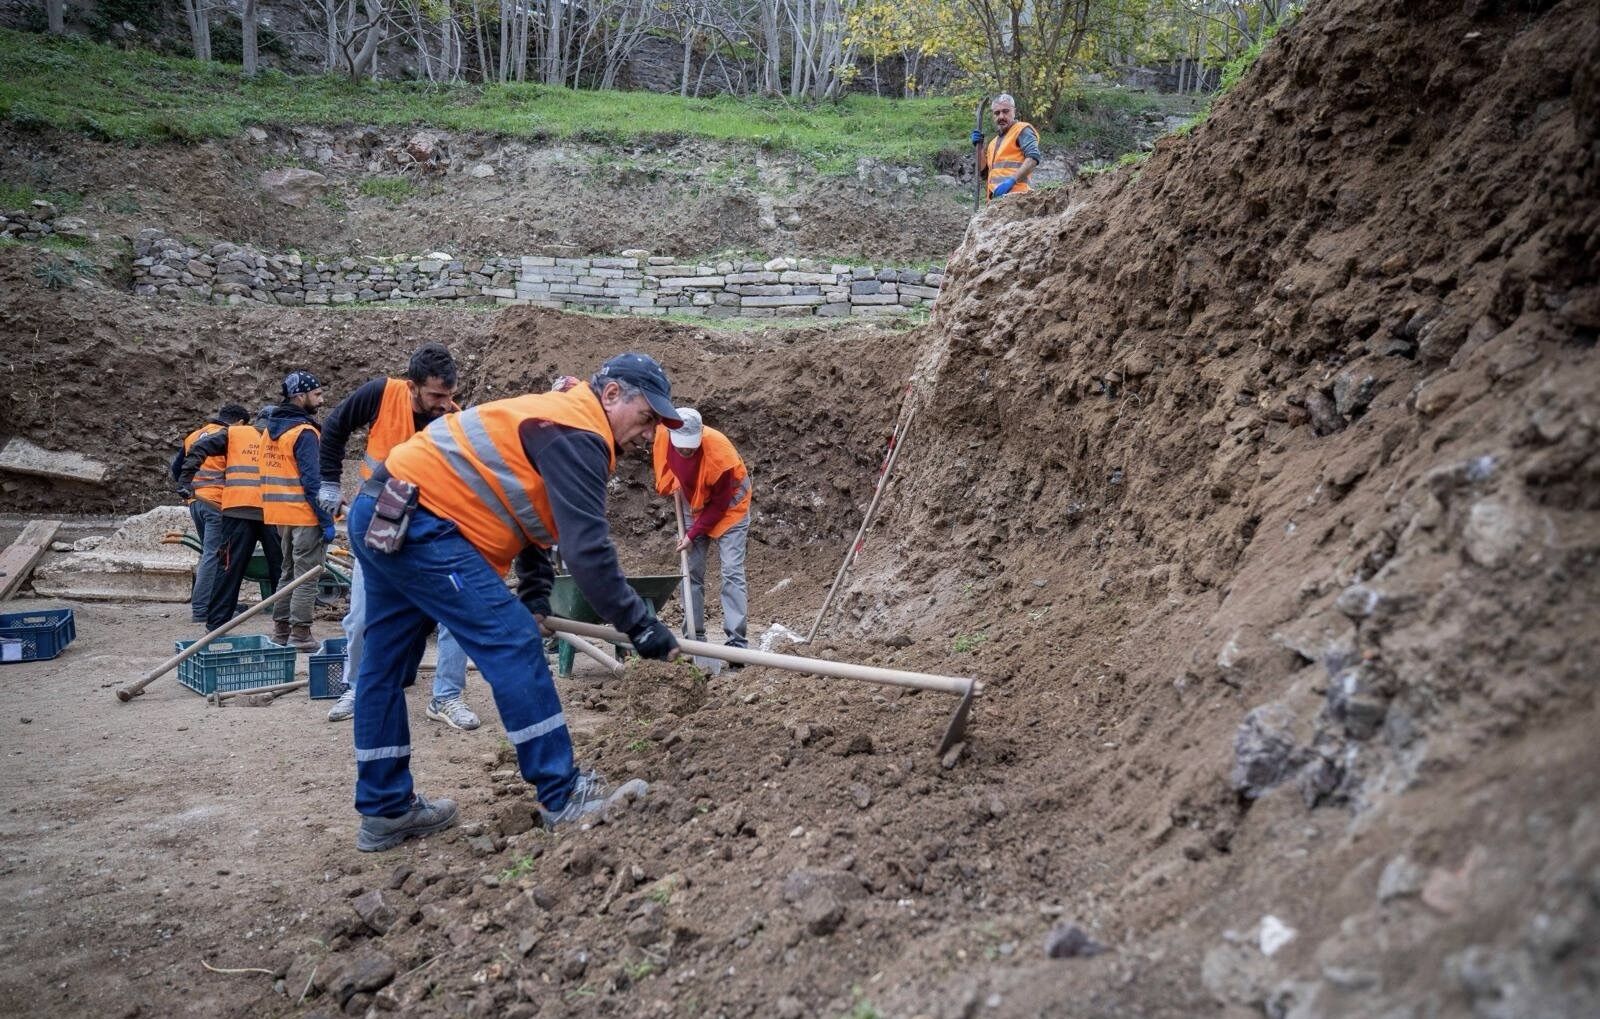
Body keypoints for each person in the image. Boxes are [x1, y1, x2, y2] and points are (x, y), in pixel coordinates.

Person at [345, 353, 682, 851]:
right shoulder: (578, 433)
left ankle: (385, 808)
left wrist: (535, 597)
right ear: (612, 395)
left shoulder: (558, 420)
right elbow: (587, 552)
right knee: (513, 641)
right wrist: (641, 625)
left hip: (385, 507)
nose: (649, 434)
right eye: (647, 417)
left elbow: (530, 515)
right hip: (423, 523)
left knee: (385, 663)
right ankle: (563, 794)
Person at [316, 343, 479, 730]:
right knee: (361, 616)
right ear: (412, 386)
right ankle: (357, 687)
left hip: (428, 529)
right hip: (376, 523)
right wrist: (328, 481)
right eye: (436, 395)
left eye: (450, 395)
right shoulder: (382, 393)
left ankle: (446, 696)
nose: (444, 404)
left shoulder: (455, 422)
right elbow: (335, 427)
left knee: (456, 612)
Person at [651, 408, 753, 651]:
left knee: (731, 571)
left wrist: (692, 534)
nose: (686, 451)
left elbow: (718, 506)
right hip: (693, 502)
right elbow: (665, 466)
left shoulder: (720, 455)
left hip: (730, 507)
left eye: (691, 448)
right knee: (691, 571)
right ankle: (694, 638)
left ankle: (737, 643)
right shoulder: (664, 434)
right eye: (681, 447)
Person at [180, 406, 283, 630]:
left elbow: (200, 448)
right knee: (281, 568)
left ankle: (216, 625)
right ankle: (286, 624)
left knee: (228, 568)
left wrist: (186, 479)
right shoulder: (285, 437)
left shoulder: (236, 433)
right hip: (272, 512)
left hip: (237, 511)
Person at [261, 371, 334, 652]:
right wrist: (325, 519)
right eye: (317, 394)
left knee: (288, 571)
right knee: (307, 575)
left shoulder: (271, 430)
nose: (321, 399)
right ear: (300, 396)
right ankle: (301, 634)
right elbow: (312, 482)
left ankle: (281, 630)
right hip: (304, 514)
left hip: (281, 514)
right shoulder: (304, 433)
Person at [170, 404, 250, 624]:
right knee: (213, 555)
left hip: (196, 501)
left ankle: (214, 602)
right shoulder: (231, 435)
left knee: (209, 553)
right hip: (216, 502)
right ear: (240, 423)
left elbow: (177, 470)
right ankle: (202, 609)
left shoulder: (194, 435)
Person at [972, 93, 1041, 200]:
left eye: (1005, 111)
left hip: (1017, 199)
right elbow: (984, 173)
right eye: (997, 113)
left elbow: (1033, 159)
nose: (1001, 116)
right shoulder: (993, 143)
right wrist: (979, 148)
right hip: (995, 202)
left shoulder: (1022, 130)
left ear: (1014, 112)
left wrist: (1012, 181)